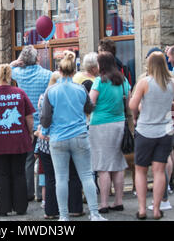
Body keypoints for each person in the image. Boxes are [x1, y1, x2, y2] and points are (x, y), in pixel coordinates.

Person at [40, 51, 106, 221]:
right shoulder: (81, 89)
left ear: (59, 71)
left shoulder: (51, 91)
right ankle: (94, 213)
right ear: (73, 72)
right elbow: (89, 108)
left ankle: (63, 216)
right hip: (79, 135)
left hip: (58, 138)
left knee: (61, 178)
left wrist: (45, 132)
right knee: (86, 175)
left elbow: (46, 118)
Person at [0, 64, 35, 217]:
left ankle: (3, 208)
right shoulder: (19, 93)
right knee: (19, 173)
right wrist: (30, 133)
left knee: (1, 174)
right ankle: (21, 207)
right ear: (10, 77)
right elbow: (29, 117)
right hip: (18, 139)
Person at [129, 51, 174, 220]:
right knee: (159, 171)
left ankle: (142, 209)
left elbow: (133, 105)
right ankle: (156, 209)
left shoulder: (144, 83)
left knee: (141, 171)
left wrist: (139, 108)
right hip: (165, 131)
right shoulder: (171, 83)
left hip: (146, 130)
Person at [36, 71, 84, 219]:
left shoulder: (44, 96)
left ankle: (51, 211)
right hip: (67, 138)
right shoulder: (73, 94)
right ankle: (75, 208)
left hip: (47, 143)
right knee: (72, 175)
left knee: (51, 178)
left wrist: (41, 133)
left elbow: (43, 118)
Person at [89, 51, 131, 213]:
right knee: (118, 164)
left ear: (102, 65)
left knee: (103, 166)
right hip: (119, 123)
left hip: (100, 125)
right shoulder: (123, 81)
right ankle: (119, 201)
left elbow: (90, 103)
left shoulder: (99, 81)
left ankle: (104, 203)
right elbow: (128, 103)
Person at [10, 45, 52, 201]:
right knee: (44, 158)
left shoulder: (18, 74)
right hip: (43, 123)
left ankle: (28, 193)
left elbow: (5, 70)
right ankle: (42, 193)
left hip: (25, 124)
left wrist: (15, 62)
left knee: (28, 160)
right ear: (38, 59)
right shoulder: (48, 75)